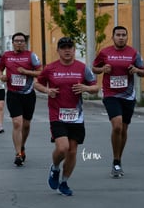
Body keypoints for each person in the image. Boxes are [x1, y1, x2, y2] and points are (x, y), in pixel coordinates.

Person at [35, 37, 99, 196]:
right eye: (63, 47)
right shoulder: (50, 68)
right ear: (58, 50)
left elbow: (96, 87)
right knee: (63, 148)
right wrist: (47, 91)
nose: (67, 50)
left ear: (74, 50)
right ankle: (55, 168)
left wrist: (85, 87)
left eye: (70, 47)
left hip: (76, 116)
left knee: (72, 151)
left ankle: (64, 182)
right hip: (57, 114)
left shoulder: (82, 68)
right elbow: (37, 83)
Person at [92, 26, 144, 178]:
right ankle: (115, 161)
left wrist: (136, 70)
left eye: (124, 35)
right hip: (110, 94)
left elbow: (143, 72)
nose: (121, 37)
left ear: (127, 37)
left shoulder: (133, 53)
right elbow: (94, 68)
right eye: (118, 35)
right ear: (113, 37)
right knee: (117, 126)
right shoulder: (105, 52)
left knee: (123, 129)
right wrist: (103, 69)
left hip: (128, 96)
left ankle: (118, 159)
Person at [0, 32, 42, 166]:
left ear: (25, 43)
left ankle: (22, 146)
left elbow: (41, 71)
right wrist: (1, 76)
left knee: (26, 125)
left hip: (28, 94)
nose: (19, 43)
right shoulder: (7, 56)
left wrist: (26, 72)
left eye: (22, 41)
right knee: (17, 123)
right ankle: (18, 154)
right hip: (13, 94)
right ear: (13, 42)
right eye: (17, 41)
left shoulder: (31, 56)